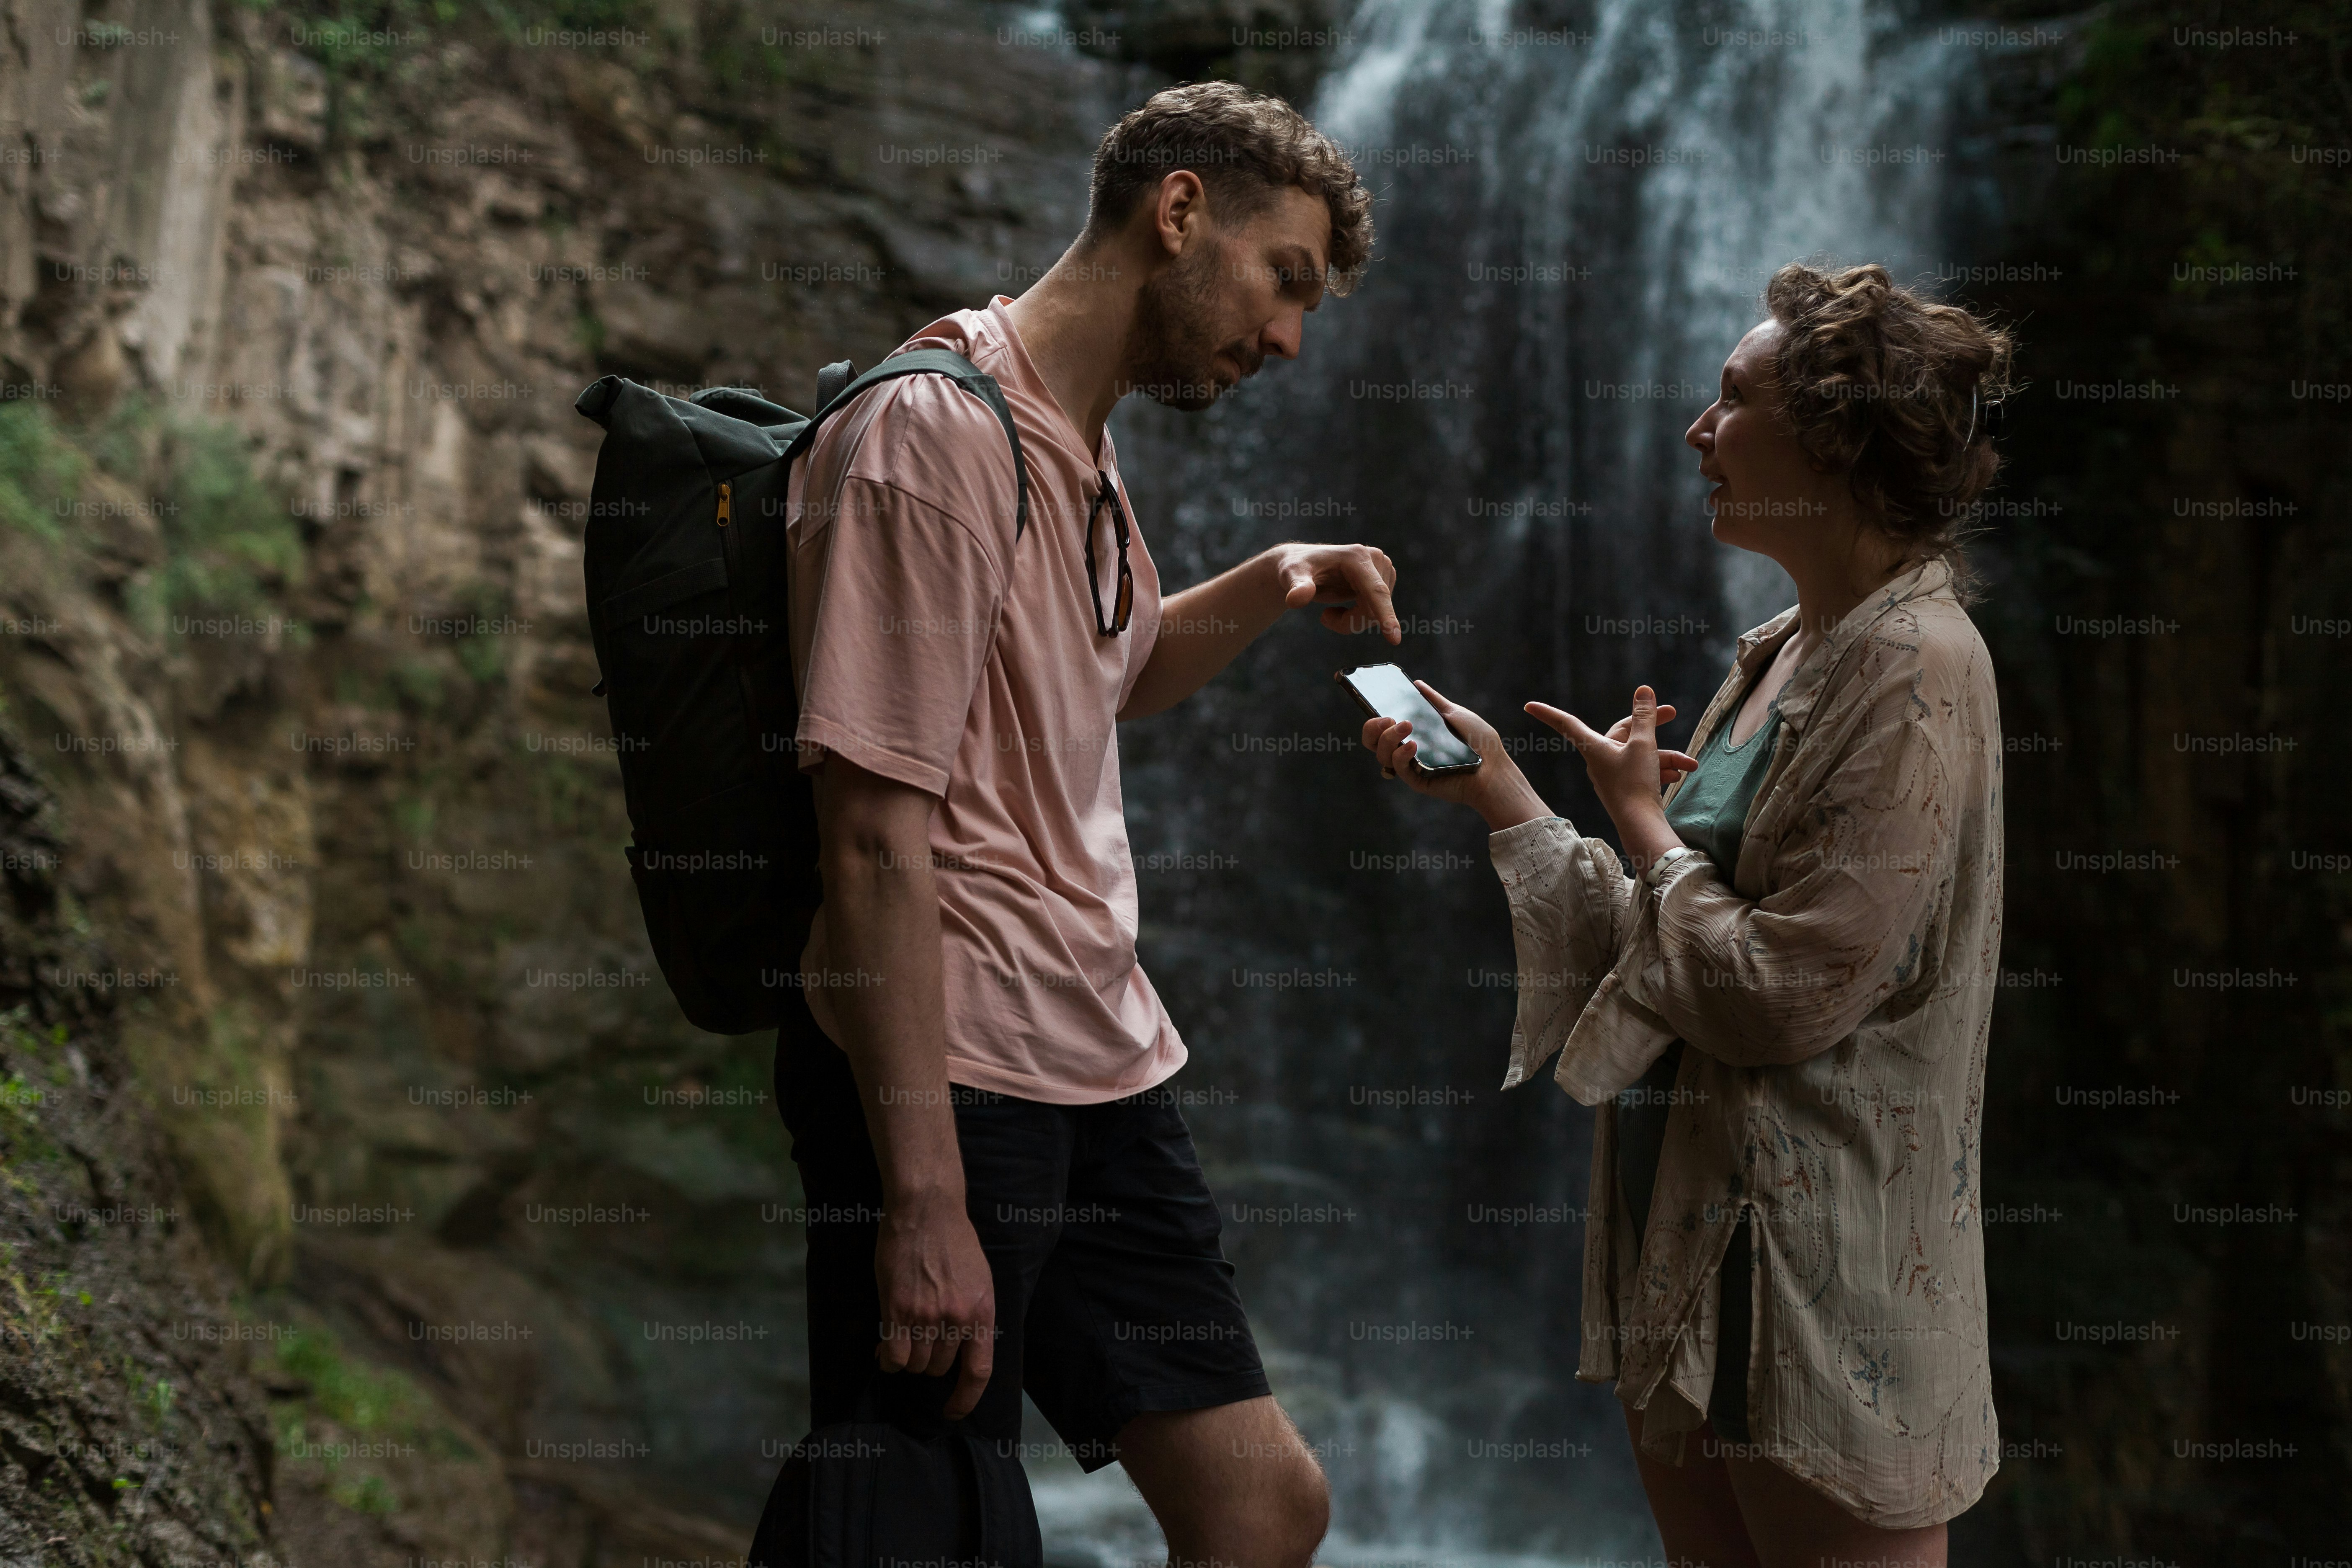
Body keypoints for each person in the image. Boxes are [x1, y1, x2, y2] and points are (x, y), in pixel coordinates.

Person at [774, 82, 1390, 1567]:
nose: (1289, 337)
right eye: (1282, 280)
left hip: (1095, 1060)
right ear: (1179, 212)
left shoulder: (1075, 440)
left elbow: (1105, 677)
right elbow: (868, 831)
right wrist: (923, 1202)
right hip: (953, 1065)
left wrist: (1279, 574)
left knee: (1261, 1506)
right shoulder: (936, 432)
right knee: (925, 1524)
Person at [1360, 263, 2013, 1565]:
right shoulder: (1790, 647)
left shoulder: (1917, 667)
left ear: (1836, 440)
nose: (1696, 432)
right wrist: (1505, 797)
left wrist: (1650, 830)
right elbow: (1672, 957)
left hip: (1827, 1293)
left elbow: (1777, 996)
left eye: (1732, 399)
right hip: (1693, 1258)